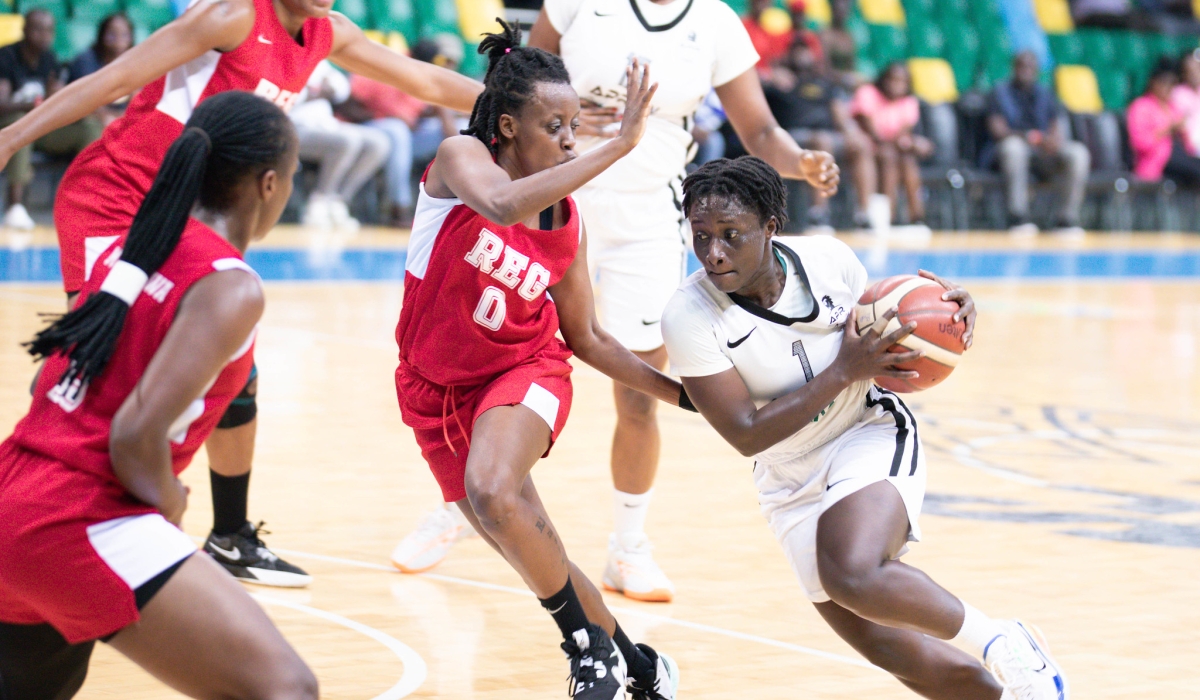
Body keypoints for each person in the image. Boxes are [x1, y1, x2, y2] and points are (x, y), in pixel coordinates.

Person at [0, 0, 481, 588]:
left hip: (193, 216)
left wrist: (521, 107)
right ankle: (36, 501)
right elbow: (116, 78)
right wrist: (11, 138)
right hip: (117, 197)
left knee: (235, 370)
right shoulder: (231, 17)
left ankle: (230, 536)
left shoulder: (327, 33)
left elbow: (428, 80)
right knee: (95, 361)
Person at [394, 0, 841, 600]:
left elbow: (759, 131)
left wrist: (799, 162)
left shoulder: (715, 23)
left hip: (646, 216)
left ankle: (628, 547)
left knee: (637, 393)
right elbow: (520, 80)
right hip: (541, 199)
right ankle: (463, 503)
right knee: (480, 352)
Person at [661, 155, 1071, 700]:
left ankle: (1004, 641)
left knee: (851, 572)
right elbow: (745, 434)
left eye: (731, 235)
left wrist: (946, 314)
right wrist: (840, 370)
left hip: (865, 428)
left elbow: (892, 322)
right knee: (909, 661)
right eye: (701, 235)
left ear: (770, 228)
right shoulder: (689, 314)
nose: (713, 252)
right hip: (785, 475)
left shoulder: (830, 262)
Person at [395, 22, 685, 699]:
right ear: (505, 126)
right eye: (553, 124)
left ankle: (587, 651)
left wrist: (686, 396)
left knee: (496, 490)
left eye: (574, 124)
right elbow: (497, 204)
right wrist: (618, 145)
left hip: (526, 371)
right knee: (530, 543)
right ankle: (640, 669)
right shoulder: (460, 159)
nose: (567, 138)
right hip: (430, 390)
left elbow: (588, 340)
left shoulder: (565, 218)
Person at [0, 92, 318, 700]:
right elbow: (133, 437)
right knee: (287, 689)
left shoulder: (128, 246)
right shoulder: (232, 286)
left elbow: (48, 382)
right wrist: (170, 500)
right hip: (79, 515)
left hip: (14, 491)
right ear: (269, 184)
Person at [0, 10, 102, 230]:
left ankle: (84, 201)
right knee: (21, 122)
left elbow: (53, 102)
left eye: (48, 30)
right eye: (38, 29)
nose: (44, 35)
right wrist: (39, 103)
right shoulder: (6, 56)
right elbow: (2, 105)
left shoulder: (50, 59)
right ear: (25, 29)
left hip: (40, 129)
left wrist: (59, 97)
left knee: (90, 128)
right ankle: (14, 207)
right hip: (10, 127)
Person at [350, 36, 467, 227]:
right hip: (375, 128)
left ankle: (462, 206)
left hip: (407, 136)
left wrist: (442, 114)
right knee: (398, 131)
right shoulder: (387, 67)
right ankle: (399, 207)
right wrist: (384, 115)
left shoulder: (427, 76)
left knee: (463, 128)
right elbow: (348, 103)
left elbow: (430, 116)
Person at [764, 38, 875, 229]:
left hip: (828, 134)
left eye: (806, 50)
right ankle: (818, 213)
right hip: (793, 136)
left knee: (861, 144)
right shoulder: (779, 81)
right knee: (822, 142)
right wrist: (770, 75)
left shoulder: (825, 83)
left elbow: (839, 112)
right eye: (797, 50)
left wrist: (850, 131)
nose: (802, 55)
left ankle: (864, 214)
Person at [983, 51, 1090, 236]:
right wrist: (1027, 136)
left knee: (1078, 152)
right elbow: (997, 130)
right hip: (1009, 152)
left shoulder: (1046, 94)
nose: (1026, 70)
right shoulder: (999, 92)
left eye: (1030, 67)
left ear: (1037, 70)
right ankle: (1018, 216)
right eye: (1021, 66)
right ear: (1014, 68)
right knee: (1013, 148)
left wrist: (1052, 141)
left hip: (1043, 153)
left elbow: (1056, 127)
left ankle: (1066, 219)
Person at [292, 60, 389, 231]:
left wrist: (324, 91)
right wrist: (314, 94)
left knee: (378, 142)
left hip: (325, 124)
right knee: (347, 140)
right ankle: (319, 202)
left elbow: (341, 88)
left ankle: (338, 201)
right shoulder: (280, 59)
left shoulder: (316, 58)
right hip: (293, 127)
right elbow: (285, 97)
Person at [851, 62, 933, 227]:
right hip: (866, 148)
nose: (897, 85)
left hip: (891, 149)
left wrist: (912, 143)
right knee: (890, 156)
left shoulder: (909, 102)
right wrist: (907, 143)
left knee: (907, 161)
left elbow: (903, 132)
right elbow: (872, 132)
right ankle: (888, 216)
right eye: (893, 79)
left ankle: (916, 217)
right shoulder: (867, 93)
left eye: (902, 81)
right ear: (883, 79)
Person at [1128, 57, 1200, 185]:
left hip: (1180, 159)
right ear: (1153, 83)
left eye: (1172, 84)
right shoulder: (1141, 107)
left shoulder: (1172, 107)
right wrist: (1167, 130)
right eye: (1164, 83)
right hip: (1157, 161)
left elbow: (1188, 147)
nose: (1168, 88)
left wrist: (1182, 132)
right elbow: (1140, 143)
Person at [67, 13, 136, 129]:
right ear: (101, 35)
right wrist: (106, 116)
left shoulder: (134, 63)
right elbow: (85, 101)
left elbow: (136, 101)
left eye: (124, 34)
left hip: (116, 118)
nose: (118, 39)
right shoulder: (86, 60)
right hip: (82, 122)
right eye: (112, 33)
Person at [742, 0, 823, 76]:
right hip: (755, 77)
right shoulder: (743, 25)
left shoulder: (778, 27)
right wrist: (771, 75)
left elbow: (779, 57)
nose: (763, 3)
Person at [1170, 50, 1200, 156]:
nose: (1194, 74)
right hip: (1189, 146)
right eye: (1190, 71)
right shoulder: (1177, 93)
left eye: (1197, 69)